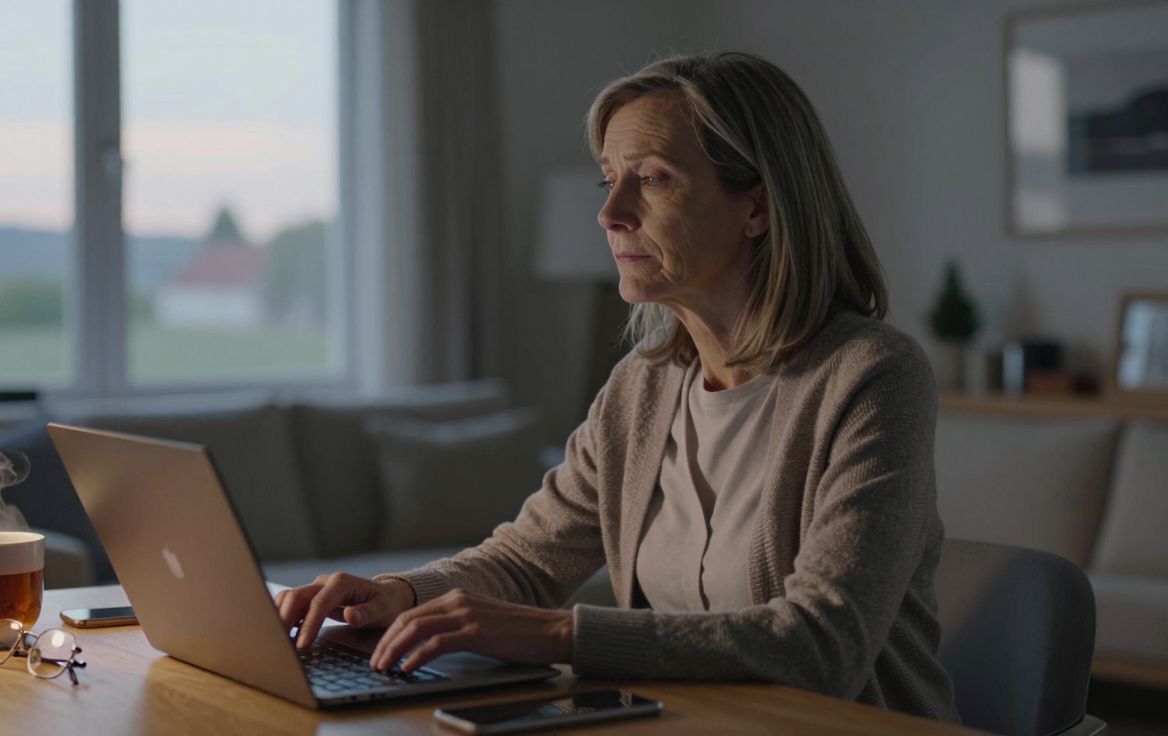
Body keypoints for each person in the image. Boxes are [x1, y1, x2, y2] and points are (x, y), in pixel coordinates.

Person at [275, 51, 960, 722]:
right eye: (610, 181)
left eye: (654, 179)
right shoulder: (643, 387)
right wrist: (397, 593)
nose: (611, 214)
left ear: (757, 207)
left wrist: (556, 637)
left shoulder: (872, 376)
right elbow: (526, 563)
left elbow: (821, 644)